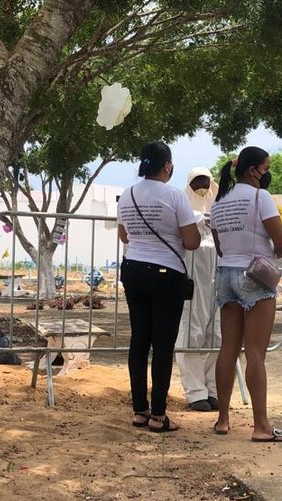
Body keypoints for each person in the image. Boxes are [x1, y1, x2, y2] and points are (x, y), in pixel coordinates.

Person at [209, 146, 282, 442]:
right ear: (252, 169)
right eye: (266, 168)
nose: (267, 174)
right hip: (255, 276)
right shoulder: (261, 198)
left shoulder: (218, 203)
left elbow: (220, 247)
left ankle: (222, 419)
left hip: (225, 274)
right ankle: (261, 426)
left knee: (227, 349)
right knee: (255, 352)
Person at [117, 143, 200, 432]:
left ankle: (139, 410)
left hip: (133, 268)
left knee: (139, 340)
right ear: (167, 166)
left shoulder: (127, 194)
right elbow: (191, 241)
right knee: (163, 345)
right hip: (166, 273)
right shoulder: (175, 196)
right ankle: (158, 415)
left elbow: (124, 236)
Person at [176, 168, 221, 412]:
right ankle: (195, 391)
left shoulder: (219, 200)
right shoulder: (181, 202)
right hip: (192, 279)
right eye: (197, 181)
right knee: (190, 333)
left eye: (205, 180)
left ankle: (214, 388)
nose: (202, 186)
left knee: (219, 334)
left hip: (219, 278)